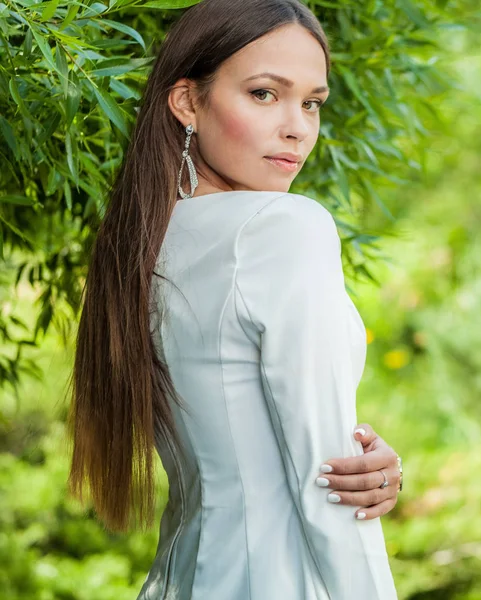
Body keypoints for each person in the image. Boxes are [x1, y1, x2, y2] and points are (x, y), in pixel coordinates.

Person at [66, 0, 404, 598]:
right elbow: (326, 489)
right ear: (187, 101)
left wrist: (361, 453)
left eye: (311, 102)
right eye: (264, 94)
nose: (298, 127)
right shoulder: (284, 227)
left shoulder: (141, 246)